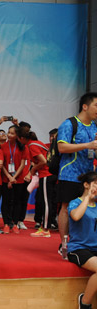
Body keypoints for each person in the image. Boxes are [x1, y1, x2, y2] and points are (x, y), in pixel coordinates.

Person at [57, 93, 97, 253]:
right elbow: (62, 147)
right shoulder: (69, 124)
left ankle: (84, 242)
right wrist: (88, 145)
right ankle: (64, 245)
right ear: (85, 106)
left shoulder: (94, 126)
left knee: (88, 206)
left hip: (89, 175)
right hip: (69, 173)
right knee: (66, 207)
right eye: (96, 105)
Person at [67, 172, 97, 309]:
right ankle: (85, 302)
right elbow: (76, 216)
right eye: (96, 183)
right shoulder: (75, 203)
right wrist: (87, 198)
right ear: (86, 185)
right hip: (79, 249)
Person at [18, 130, 52, 238]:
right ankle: (44, 226)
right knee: (43, 201)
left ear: (22, 138)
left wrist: (32, 170)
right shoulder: (37, 143)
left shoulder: (32, 145)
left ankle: (45, 229)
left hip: (46, 174)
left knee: (46, 203)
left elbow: (43, 161)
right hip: (45, 174)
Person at [0, 125, 29, 234]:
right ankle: (6, 224)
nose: (9, 135)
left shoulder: (23, 147)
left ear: (17, 135)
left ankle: (15, 223)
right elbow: (2, 164)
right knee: (6, 201)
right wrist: (9, 177)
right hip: (5, 178)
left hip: (18, 179)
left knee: (17, 201)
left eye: (12, 133)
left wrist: (14, 177)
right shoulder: (3, 146)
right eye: (8, 132)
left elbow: (22, 164)